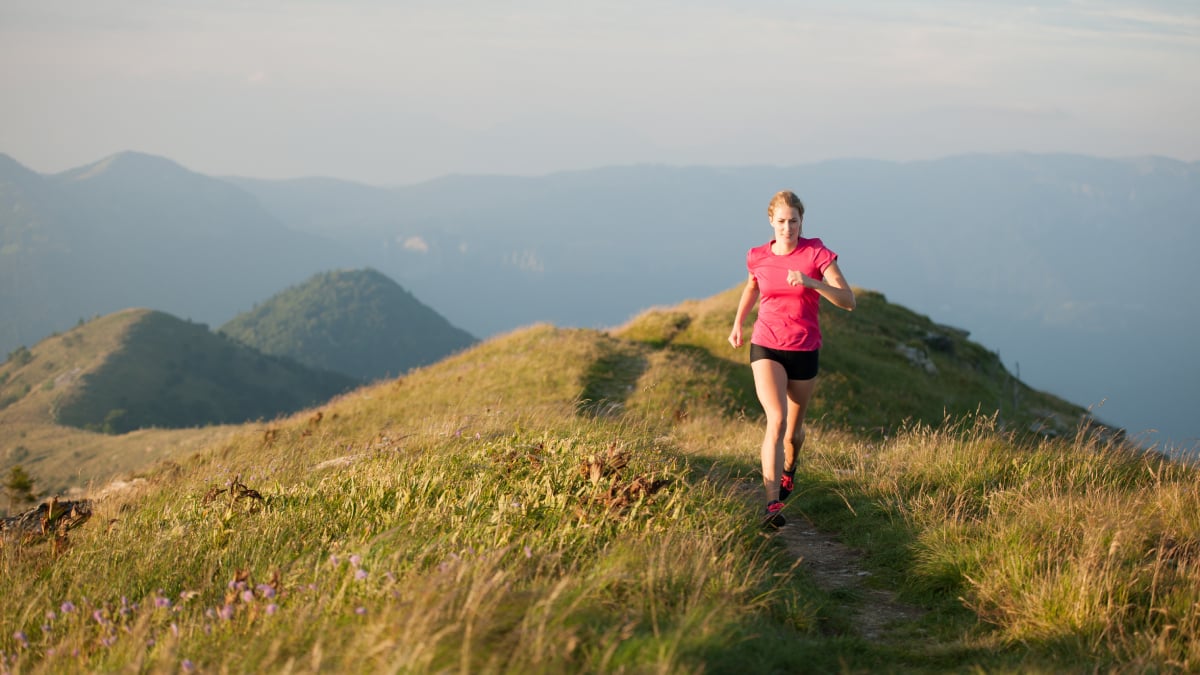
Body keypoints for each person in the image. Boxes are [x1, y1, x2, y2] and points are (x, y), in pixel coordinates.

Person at [728, 190, 856, 526]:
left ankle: (790, 468)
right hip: (766, 344)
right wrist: (739, 323)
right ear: (771, 221)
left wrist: (813, 282)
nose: (788, 228)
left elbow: (848, 300)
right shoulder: (757, 255)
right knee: (776, 419)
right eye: (781, 221)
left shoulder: (817, 253)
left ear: (802, 221)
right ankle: (772, 504)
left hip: (804, 348)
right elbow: (753, 285)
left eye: (794, 221)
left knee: (793, 434)